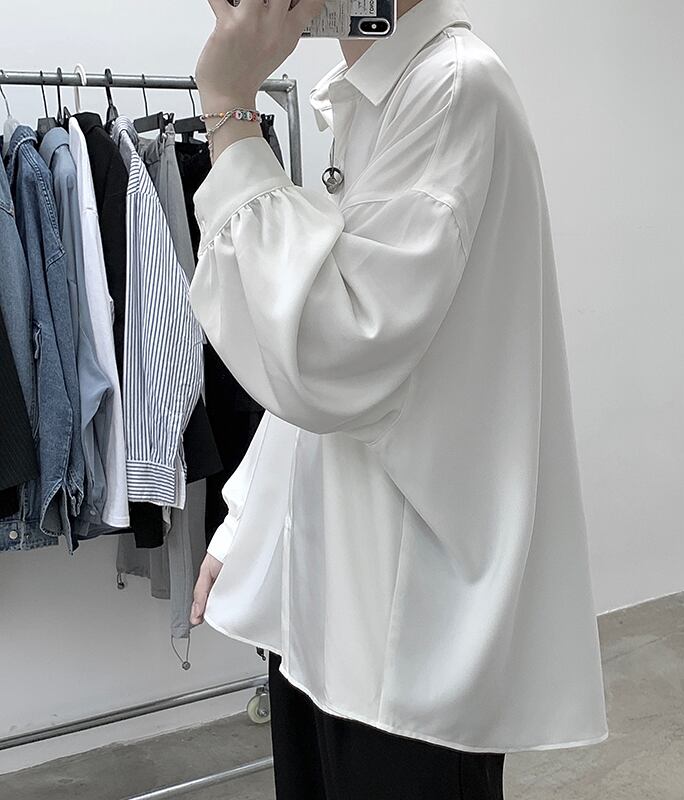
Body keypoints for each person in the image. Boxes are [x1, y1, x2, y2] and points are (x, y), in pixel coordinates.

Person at [189, 0, 609, 797]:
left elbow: (327, 348)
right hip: (332, 606)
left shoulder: (452, 88)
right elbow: (331, 338)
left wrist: (231, 110)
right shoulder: (383, 93)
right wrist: (249, 515)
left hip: (406, 636)